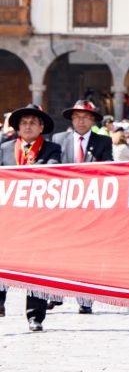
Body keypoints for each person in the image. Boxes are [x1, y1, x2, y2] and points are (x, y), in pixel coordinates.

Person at [0, 104, 61, 331]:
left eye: (32, 123)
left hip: (39, 218)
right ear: (17, 127)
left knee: (37, 266)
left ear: (41, 127)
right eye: (24, 123)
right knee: (2, 258)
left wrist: (33, 170)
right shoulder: (5, 148)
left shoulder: (51, 148)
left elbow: (54, 168)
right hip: (8, 216)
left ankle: (35, 315)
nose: (27, 126)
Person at [53, 99, 113, 313]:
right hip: (64, 204)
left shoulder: (103, 142)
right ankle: (55, 292)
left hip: (90, 204)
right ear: (71, 119)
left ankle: (85, 298)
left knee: (87, 252)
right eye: (77, 117)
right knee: (59, 249)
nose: (81, 121)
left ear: (92, 120)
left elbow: (110, 169)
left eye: (85, 117)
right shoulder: (59, 139)